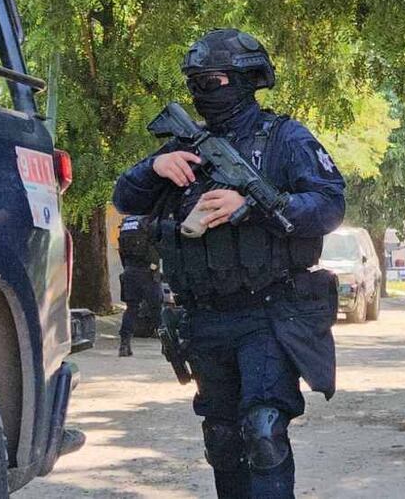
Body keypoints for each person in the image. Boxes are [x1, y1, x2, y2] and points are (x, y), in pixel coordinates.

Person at [112, 28, 346, 498]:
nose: (203, 92)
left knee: (263, 432)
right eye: (195, 81)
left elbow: (329, 206)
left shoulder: (285, 139)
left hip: (267, 312)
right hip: (203, 316)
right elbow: (125, 199)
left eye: (213, 81)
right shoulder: (184, 147)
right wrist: (153, 169)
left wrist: (256, 203)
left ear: (246, 80)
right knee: (222, 439)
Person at [116, 215, 165, 357]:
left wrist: (127, 268)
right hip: (148, 272)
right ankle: (166, 344)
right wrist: (155, 267)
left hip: (130, 271)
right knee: (156, 309)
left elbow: (121, 249)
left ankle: (124, 345)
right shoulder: (149, 221)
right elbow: (158, 246)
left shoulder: (126, 222)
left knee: (131, 308)